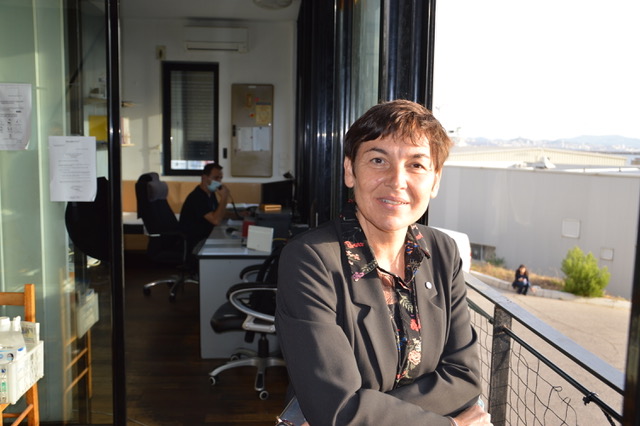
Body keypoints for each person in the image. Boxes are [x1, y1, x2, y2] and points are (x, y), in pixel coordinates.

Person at [275, 100, 492, 426]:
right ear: (350, 171)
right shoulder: (311, 260)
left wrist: (357, 413)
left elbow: (465, 377)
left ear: (435, 181)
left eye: (417, 165)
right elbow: (338, 408)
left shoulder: (443, 252)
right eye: (378, 160)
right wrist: (449, 425)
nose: (396, 180)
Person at [179, 163, 230, 263]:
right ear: (204, 177)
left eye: (220, 178)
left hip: (207, 236)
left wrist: (239, 215)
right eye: (215, 178)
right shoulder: (197, 197)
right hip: (196, 242)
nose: (219, 182)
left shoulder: (210, 194)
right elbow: (216, 220)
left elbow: (217, 212)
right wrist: (224, 198)